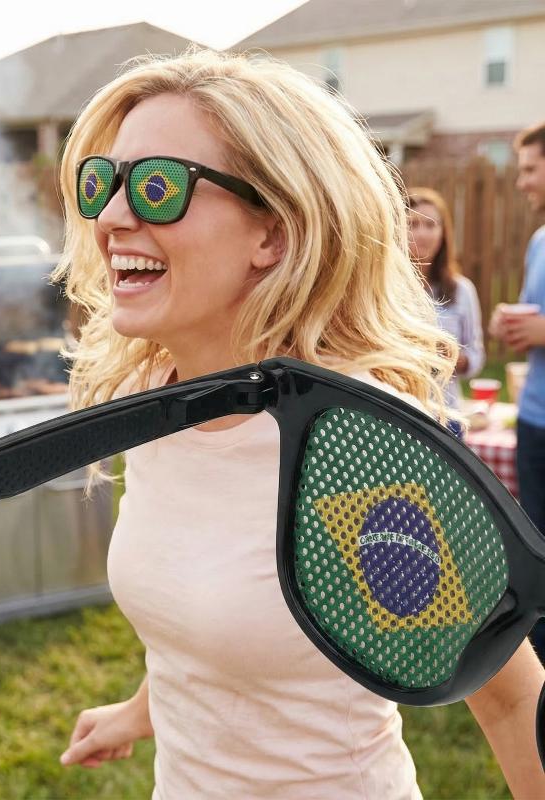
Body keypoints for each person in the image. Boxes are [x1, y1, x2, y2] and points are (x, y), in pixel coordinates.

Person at [55, 50, 545, 798]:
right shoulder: (155, 396)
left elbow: (508, 697)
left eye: (158, 187)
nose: (112, 217)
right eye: (103, 184)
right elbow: (212, 620)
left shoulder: (356, 447)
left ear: (274, 234)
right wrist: (139, 711)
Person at [489, 120, 545, 659]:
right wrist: (508, 321)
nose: (522, 181)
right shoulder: (539, 241)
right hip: (533, 421)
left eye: (530, 169)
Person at [407, 186, 485, 421]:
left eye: (430, 225)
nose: (422, 233)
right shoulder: (388, 288)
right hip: (399, 413)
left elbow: (476, 356)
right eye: (412, 224)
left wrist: (453, 357)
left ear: (443, 233)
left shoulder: (462, 290)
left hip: (446, 415)